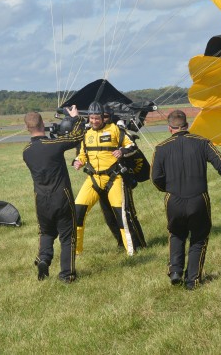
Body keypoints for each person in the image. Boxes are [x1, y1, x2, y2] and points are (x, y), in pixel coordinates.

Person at [151, 110, 221, 290]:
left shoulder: (161, 148)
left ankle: (175, 271)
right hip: (198, 198)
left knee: (176, 233)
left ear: (169, 128)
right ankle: (192, 281)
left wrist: (168, 189)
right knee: (199, 238)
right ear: (187, 126)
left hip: (173, 199)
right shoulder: (202, 143)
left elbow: (155, 177)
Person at [73, 102, 146, 256]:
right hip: (93, 179)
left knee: (121, 215)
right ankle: (76, 251)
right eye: (91, 118)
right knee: (77, 212)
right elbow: (82, 154)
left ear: (103, 117)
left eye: (97, 118)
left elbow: (132, 145)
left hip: (114, 178)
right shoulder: (86, 134)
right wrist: (78, 161)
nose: (94, 121)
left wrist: (122, 151)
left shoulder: (115, 130)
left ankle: (132, 252)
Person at [22, 106, 84, 282]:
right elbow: (77, 136)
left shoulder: (26, 152)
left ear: (27, 127)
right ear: (43, 124)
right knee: (67, 235)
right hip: (61, 196)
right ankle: (67, 274)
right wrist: (75, 119)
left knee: (46, 232)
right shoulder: (52, 145)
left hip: (41, 199)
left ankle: (44, 259)